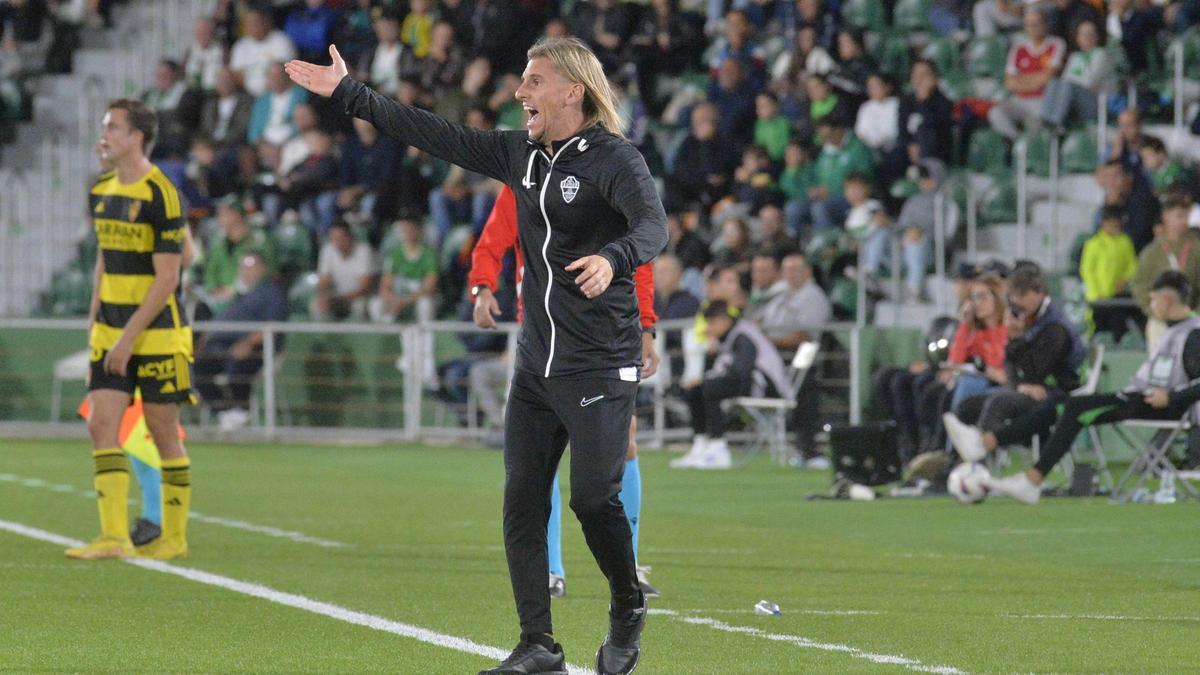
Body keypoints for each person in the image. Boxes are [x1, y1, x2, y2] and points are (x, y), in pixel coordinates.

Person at [286, 37, 667, 675]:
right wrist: (350, 94)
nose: (520, 93)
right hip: (536, 363)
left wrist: (613, 257)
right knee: (522, 497)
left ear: (573, 91)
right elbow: (434, 133)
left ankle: (627, 606)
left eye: (534, 82)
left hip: (600, 360)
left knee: (594, 501)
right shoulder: (519, 154)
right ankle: (537, 644)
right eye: (522, 80)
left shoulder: (616, 160)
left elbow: (655, 228)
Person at [470, 185, 663, 601]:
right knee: (542, 452)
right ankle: (552, 569)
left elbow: (638, 255)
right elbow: (492, 242)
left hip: (609, 333)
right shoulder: (521, 182)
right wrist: (482, 287)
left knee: (625, 442)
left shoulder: (607, 177)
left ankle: (628, 563)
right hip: (544, 335)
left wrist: (646, 325)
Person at [70, 99, 193, 561]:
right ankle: (114, 537)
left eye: (113, 128)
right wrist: (95, 313)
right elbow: (104, 256)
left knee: (163, 433)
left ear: (137, 136)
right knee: (102, 425)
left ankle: (174, 538)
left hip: (157, 333)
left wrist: (127, 339)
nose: (105, 135)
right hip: (110, 329)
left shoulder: (161, 193)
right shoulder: (101, 188)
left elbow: (169, 279)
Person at [986, 271, 1200, 503]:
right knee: (1057, 405)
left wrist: (1172, 398)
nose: (1151, 305)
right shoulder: (1172, 330)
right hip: (1142, 398)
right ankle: (990, 443)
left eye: (1153, 299)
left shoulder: (1192, 333)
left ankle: (1030, 478)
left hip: (1162, 405)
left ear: (1167, 300)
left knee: (1077, 407)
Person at [944, 263, 1086, 465]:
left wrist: (1016, 340)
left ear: (1039, 293)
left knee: (997, 403)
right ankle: (956, 463)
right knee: (967, 405)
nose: (1017, 300)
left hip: (1055, 391)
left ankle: (980, 466)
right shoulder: (1030, 319)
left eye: (1022, 293)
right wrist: (1018, 382)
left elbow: (1036, 370)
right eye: (1014, 294)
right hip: (1029, 387)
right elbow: (1011, 365)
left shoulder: (1055, 328)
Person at [674, 300, 790, 469]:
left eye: (711, 323)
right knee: (695, 389)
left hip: (767, 386)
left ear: (724, 320)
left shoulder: (743, 335)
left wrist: (709, 380)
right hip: (750, 381)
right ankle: (701, 444)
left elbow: (741, 372)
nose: (708, 329)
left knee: (710, 387)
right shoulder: (729, 337)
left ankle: (718, 446)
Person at [987, 8, 1066, 140]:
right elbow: (1009, 83)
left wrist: (1021, 79)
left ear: (1045, 24)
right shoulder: (1018, 49)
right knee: (995, 112)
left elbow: (1049, 77)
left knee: (1037, 125)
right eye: (1030, 24)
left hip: (1043, 100)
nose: (1033, 28)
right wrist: (1037, 78)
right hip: (1019, 100)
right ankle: (1017, 142)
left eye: (1037, 23)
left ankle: (1030, 148)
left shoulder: (1056, 43)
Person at [1132, 199, 1200, 351]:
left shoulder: (1196, 249)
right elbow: (1139, 284)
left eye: (1187, 215)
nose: (1185, 221)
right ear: (1166, 216)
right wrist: (1155, 309)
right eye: (1179, 215)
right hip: (1159, 321)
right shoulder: (1152, 252)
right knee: (1160, 367)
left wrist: (1194, 312)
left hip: (1193, 319)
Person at [1080, 206, 1139, 340]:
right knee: (1097, 328)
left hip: (1118, 295)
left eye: (1118, 226)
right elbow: (1087, 270)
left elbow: (1132, 264)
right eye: (1113, 225)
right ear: (1103, 223)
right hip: (1098, 297)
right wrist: (1097, 291)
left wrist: (1126, 278)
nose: (1116, 229)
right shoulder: (1093, 244)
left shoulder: (1125, 242)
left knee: (1118, 328)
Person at [311, 220, 374, 321]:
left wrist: (340, 300)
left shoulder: (364, 251)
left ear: (349, 237)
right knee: (317, 304)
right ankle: (323, 335)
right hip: (337, 297)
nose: (337, 243)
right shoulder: (327, 250)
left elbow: (364, 287)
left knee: (360, 306)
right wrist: (324, 296)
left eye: (340, 238)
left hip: (358, 297)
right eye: (334, 239)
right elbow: (324, 281)